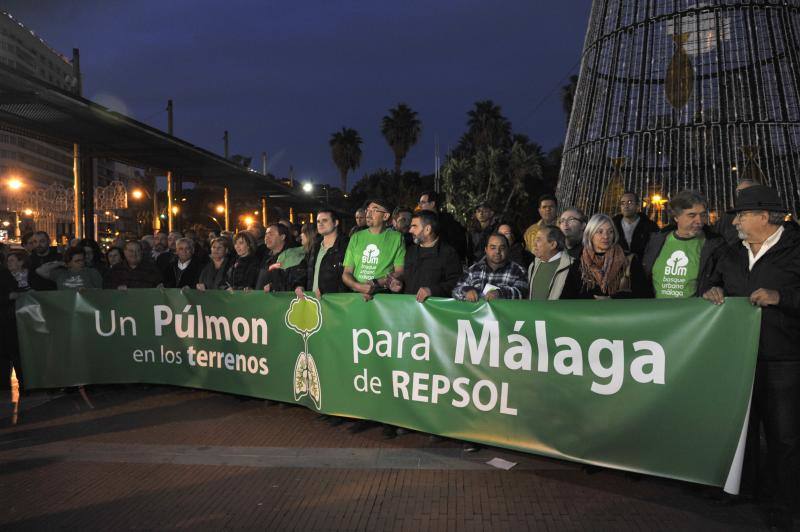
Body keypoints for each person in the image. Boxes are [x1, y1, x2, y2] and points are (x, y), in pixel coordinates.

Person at [702, 185, 800, 528]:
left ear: (763, 216)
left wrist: (781, 296)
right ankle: (742, 489)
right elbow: (710, 282)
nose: (736, 221)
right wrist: (710, 290)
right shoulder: (729, 252)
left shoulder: (795, 248)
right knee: (741, 428)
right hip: (738, 357)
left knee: (784, 436)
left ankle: (785, 505)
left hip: (784, 358)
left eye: (742, 215)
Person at [642, 190, 725, 299]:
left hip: (694, 313)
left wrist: (718, 289)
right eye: (692, 215)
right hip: (657, 312)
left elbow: (725, 280)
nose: (699, 221)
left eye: (703, 215)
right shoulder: (656, 241)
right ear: (676, 217)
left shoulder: (716, 246)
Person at [562, 214, 646, 299]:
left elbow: (644, 295)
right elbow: (566, 299)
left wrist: (613, 299)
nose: (606, 236)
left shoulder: (629, 260)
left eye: (610, 231)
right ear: (590, 234)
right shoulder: (579, 264)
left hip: (620, 311)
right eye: (600, 231)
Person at [389, 210, 462, 302]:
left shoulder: (448, 253)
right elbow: (407, 280)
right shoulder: (410, 251)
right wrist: (399, 285)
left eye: (414, 226)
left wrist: (432, 291)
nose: (410, 230)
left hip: (434, 312)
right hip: (410, 308)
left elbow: (456, 283)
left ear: (427, 229)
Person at [342, 199, 406, 299]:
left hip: (382, 296)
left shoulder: (397, 238)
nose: (368, 213)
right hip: (356, 296)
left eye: (374, 210)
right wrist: (359, 287)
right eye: (367, 210)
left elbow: (399, 271)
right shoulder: (356, 237)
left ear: (385, 216)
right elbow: (346, 273)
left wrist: (376, 283)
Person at [453, 233, 528, 301]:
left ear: (508, 250)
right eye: (493, 248)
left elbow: (522, 293)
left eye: (502, 248)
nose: (497, 251)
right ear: (486, 250)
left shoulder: (518, 271)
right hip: (478, 315)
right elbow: (456, 290)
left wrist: (500, 293)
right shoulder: (473, 270)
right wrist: (467, 291)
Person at [296, 210, 349, 297]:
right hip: (313, 302)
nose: (320, 224)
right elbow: (304, 268)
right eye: (318, 221)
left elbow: (347, 276)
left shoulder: (346, 246)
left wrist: (326, 289)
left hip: (336, 303)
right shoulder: (315, 246)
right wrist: (299, 285)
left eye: (325, 220)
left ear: (336, 223)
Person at [0, 250, 30, 391]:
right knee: (9, 353)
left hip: (19, 318)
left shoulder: (29, 275)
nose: (9, 263)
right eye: (8, 260)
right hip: (8, 319)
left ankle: (24, 384)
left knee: (16, 353)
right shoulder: (5, 275)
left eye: (12, 260)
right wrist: (9, 297)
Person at [418, 190, 468, 261]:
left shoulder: (448, 224)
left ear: (432, 204)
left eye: (422, 203)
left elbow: (457, 248)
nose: (419, 206)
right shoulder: (420, 222)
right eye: (419, 203)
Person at [528, 225, 574, 300]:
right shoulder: (533, 265)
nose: (534, 244)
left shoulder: (572, 267)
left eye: (538, 240)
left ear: (553, 245)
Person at [256, 224, 307, 292]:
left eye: (271, 234)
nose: (267, 237)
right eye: (266, 234)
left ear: (282, 237)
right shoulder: (265, 257)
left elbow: (294, 283)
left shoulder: (292, 257)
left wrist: (273, 287)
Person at [613, 192, 659, 259]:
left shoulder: (650, 226)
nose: (626, 206)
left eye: (629, 202)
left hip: (641, 267)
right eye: (622, 203)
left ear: (637, 206)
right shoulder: (612, 225)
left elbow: (656, 248)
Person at [35, 247, 103, 290]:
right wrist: (60, 263)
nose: (81, 263)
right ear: (69, 262)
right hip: (66, 307)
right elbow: (40, 271)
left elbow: (100, 291)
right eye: (77, 261)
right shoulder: (60, 273)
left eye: (82, 260)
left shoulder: (92, 272)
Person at [715, 178, 757, 246]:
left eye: (742, 191)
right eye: (737, 192)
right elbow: (715, 239)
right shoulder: (727, 217)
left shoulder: (766, 216)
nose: (739, 195)